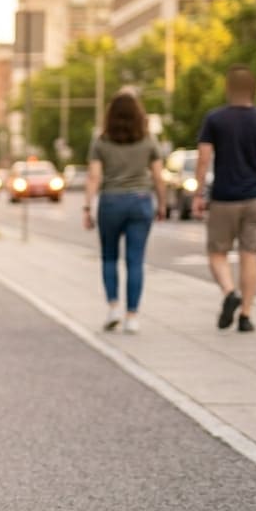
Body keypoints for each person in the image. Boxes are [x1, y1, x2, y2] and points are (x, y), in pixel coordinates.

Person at [192, 65, 256, 333]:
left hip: (224, 198)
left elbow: (203, 159)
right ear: (253, 90)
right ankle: (245, 315)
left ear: (228, 89)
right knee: (250, 255)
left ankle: (229, 291)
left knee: (217, 252)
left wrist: (198, 194)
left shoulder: (215, 119)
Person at [83, 91, 167, 333]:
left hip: (111, 201)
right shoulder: (148, 140)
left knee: (109, 257)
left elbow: (94, 177)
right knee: (135, 260)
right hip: (140, 201)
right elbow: (158, 176)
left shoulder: (101, 142)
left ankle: (113, 308)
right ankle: (132, 316)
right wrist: (162, 204)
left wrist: (87, 207)